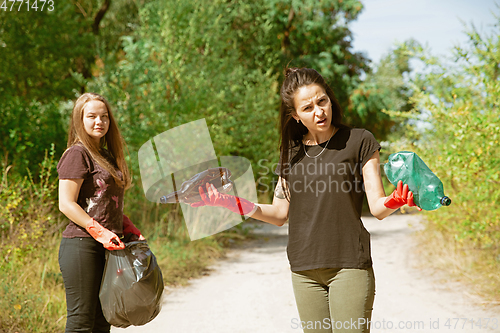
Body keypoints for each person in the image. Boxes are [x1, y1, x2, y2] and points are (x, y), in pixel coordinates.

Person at [190, 67, 420, 333]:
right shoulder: (291, 153)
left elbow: (377, 208)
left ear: (330, 99)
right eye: (308, 107)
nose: (319, 112)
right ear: (296, 115)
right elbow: (278, 213)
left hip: (349, 265)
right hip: (304, 269)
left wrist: (395, 200)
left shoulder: (359, 141)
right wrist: (231, 203)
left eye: (322, 101)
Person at [57, 92, 145, 332]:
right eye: (92, 116)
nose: (99, 122)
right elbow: (66, 203)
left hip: (109, 246)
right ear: (80, 120)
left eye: (104, 116)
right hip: (82, 245)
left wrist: (130, 229)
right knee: (81, 321)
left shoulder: (105, 156)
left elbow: (108, 203)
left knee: (102, 321)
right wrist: (100, 232)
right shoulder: (77, 153)